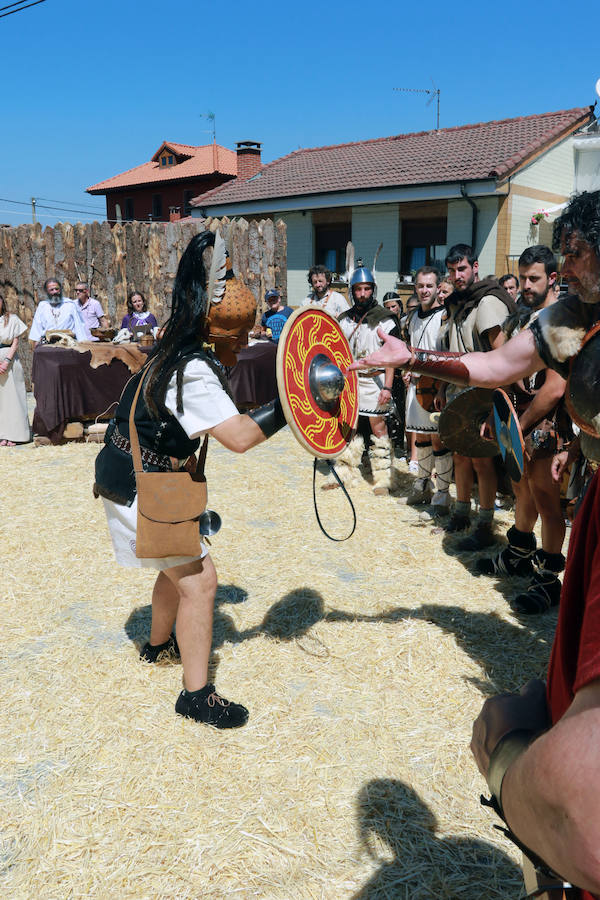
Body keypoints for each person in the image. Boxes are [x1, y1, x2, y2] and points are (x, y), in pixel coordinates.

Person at [348, 190, 600, 898]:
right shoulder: (575, 316)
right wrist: (417, 357)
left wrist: (506, 765)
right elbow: (499, 368)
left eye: (576, 255)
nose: (565, 268)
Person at [94, 232, 289, 729]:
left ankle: (158, 645)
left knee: (175, 564)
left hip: (131, 474)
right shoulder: (194, 371)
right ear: (212, 331)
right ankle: (196, 696)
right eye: (236, 338)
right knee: (201, 582)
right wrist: (292, 404)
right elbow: (241, 437)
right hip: (145, 484)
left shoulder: (171, 348)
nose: (242, 346)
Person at [477, 245, 571, 614]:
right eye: (523, 278)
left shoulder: (561, 322)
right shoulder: (521, 320)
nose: (525, 285)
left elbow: (554, 388)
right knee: (521, 489)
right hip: (520, 419)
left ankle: (548, 580)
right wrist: (496, 415)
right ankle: (518, 553)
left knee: (548, 502)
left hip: (548, 425)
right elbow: (506, 371)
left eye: (534, 278)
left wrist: (519, 425)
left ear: (552, 278)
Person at [437, 244, 516, 550]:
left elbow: (502, 356)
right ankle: (461, 513)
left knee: (482, 461)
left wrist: (497, 403)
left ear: (475, 267)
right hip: (458, 392)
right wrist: (443, 389)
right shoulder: (458, 304)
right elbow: (451, 354)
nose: (457, 276)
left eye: (462, 269)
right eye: (453, 271)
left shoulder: (488, 302)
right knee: (460, 455)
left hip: (483, 394)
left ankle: (485, 524)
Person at [335, 263, 399, 495]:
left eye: (367, 289)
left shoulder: (385, 319)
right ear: (352, 291)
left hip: (376, 381)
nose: (363, 294)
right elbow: (337, 351)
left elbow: (391, 358)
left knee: (377, 427)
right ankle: (345, 475)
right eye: (358, 289)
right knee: (348, 427)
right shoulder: (344, 320)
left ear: (373, 289)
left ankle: (383, 478)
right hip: (351, 382)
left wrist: (388, 387)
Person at [402, 267, 453, 510]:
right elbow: (409, 351)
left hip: (436, 388)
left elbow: (447, 358)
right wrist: (407, 370)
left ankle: (442, 494)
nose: (424, 290)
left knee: (438, 440)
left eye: (429, 286)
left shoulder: (445, 317)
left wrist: (442, 388)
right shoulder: (411, 318)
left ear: (437, 288)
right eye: (421, 286)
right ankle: (422, 485)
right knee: (420, 436)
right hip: (416, 386)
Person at [0, 294, 30, 446]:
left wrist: (6, 361)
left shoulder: (11, 319)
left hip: (10, 361)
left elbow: (15, 343)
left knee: (14, 398)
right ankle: (2, 435)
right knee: (2, 401)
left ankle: (15, 434)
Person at [29, 278, 88, 346]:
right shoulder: (42, 306)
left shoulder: (70, 305)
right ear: (46, 292)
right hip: (47, 343)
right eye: (51, 290)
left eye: (57, 289)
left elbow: (79, 326)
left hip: (68, 342)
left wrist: (82, 343)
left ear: (60, 290)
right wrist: (36, 344)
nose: (55, 292)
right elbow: (37, 326)